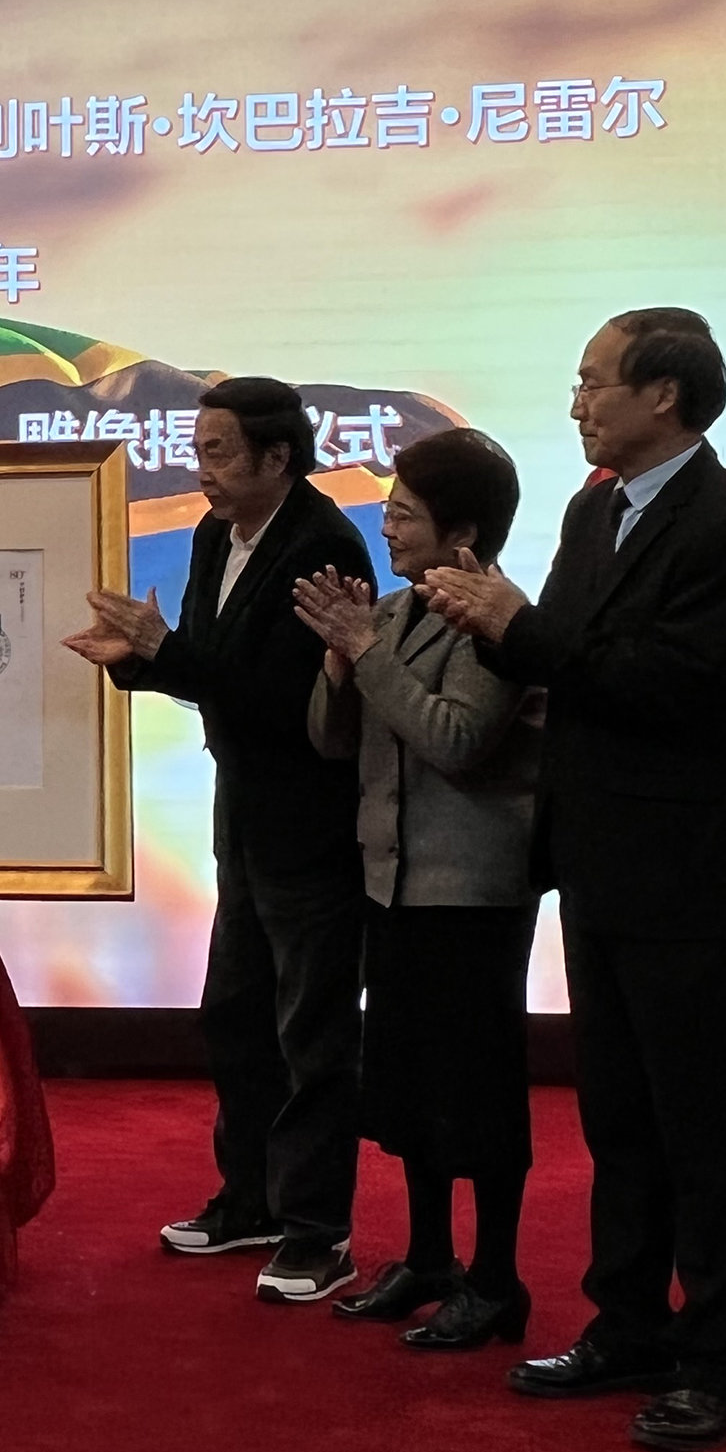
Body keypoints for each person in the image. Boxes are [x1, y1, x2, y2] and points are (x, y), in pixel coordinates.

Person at [424, 308, 726, 1452]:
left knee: (699, 1129)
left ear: (662, 396)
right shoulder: (593, 508)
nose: (576, 402)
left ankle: (716, 1362)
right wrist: (486, 625)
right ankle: (625, 1327)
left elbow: (666, 687)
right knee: (619, 1120)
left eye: (593, 381)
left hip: (691, 878)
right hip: (597, 862)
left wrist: (520, 629)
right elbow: (569, 666)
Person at [64, 376, 376, 1303]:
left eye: (218, 452)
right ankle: (251, 1199)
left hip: (313, 820)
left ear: (278, 456)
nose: (199, 468)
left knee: (312, 1031)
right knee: (236, 1015)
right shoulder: (213, 533)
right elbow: (211, 670)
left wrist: (166, 652)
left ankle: (318, 1231)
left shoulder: (322, 545)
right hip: (240, 810)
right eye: (197, 449)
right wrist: (140, 660)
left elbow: (285, 698)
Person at [294, 430, 542, 1351]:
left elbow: (454, 739)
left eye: (404, 512)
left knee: (477, 1089)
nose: (386, 524)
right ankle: (428, 1255)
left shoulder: (497, 622)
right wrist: (339, 662)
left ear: (462, 531)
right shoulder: (393, 612)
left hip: (470, 891)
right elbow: (330, 741)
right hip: (389, 881)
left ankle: (496, 1277)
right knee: (405, 1086)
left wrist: (366, 651)